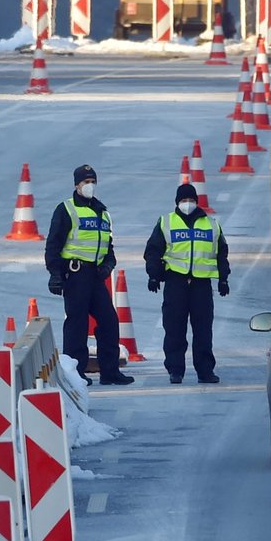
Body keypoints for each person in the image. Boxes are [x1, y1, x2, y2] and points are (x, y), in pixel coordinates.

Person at [45, 165, 134, 386]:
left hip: (95, 275)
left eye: (92, 181)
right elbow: (53, 244)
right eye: (85, 182)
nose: (89, 185)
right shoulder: (66, 209)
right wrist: (55, 274)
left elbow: (108, 244)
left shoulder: (102, 212)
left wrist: (108, 264)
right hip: (75, 274)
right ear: (76, 185)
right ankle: (76, 374)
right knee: (77, 323)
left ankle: (110, 371)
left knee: (109, 321)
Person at [143, 183, 230, 384]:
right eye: (183, 201)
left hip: (201, 284)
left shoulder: (211, 224)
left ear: (196, 202)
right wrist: (154, 275)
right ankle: (175, 370)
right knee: (174, 328)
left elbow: (221, 253)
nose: (187, 204)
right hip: (176, 282)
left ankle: (205, 370)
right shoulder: (166, 222)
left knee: (203, 330)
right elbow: (153, 251)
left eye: (190, 200)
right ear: (177, 203)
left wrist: (223, 278)